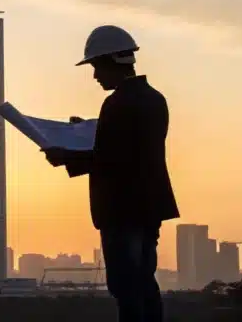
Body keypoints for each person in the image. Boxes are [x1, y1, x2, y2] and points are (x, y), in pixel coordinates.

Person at [43, 25, 180, 322]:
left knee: (126, 285)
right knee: (144, 280)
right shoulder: (154, 99)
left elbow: (113, 158)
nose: (95, 76)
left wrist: (65, 155)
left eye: (96, 67)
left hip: (122, 209)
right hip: (149, 206)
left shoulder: (117, 103)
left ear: (110, 63)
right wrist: (90, 128)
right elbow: (130, 148)